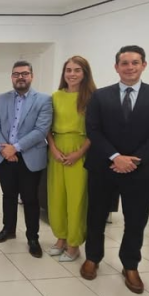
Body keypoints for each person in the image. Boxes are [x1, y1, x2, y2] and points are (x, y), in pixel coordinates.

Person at [80, 45, 149, 294]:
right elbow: (93, 130)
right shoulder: (100, 96)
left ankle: (130, 265)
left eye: (135, 62)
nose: (130, 67)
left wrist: (133, 160)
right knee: (96, 216)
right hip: (103, 167)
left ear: (144, 65)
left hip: (139, 171)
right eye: (124, 63)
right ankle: (92, 258)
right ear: (116, 67)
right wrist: (115, 156)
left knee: (135, 220)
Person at [0, 61, 52, 258]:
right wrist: (5, 149)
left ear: (32, 76)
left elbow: (41, 130)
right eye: (16, 74)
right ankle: (8, 229)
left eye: (24, 73)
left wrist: (14, 148)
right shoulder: (2, 99)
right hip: (4, 156)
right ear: (12, 77)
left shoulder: (44, 100)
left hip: (29, 157)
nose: (20, 77)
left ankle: (32, 237)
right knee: (8, 195)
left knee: (30, 199)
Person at [46, 56, 96, 262]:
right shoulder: (55, 96)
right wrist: (53, 148)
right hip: (57, 149)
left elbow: (97, 130)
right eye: (68, 70)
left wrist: (79, 152)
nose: (72, 74)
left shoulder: (92, 98)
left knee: (76, 199)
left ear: (85, 73)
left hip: (80, 149)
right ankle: (61, 238)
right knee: (56, 196)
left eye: (77, 70)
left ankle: (74, 244)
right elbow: (46, 127)